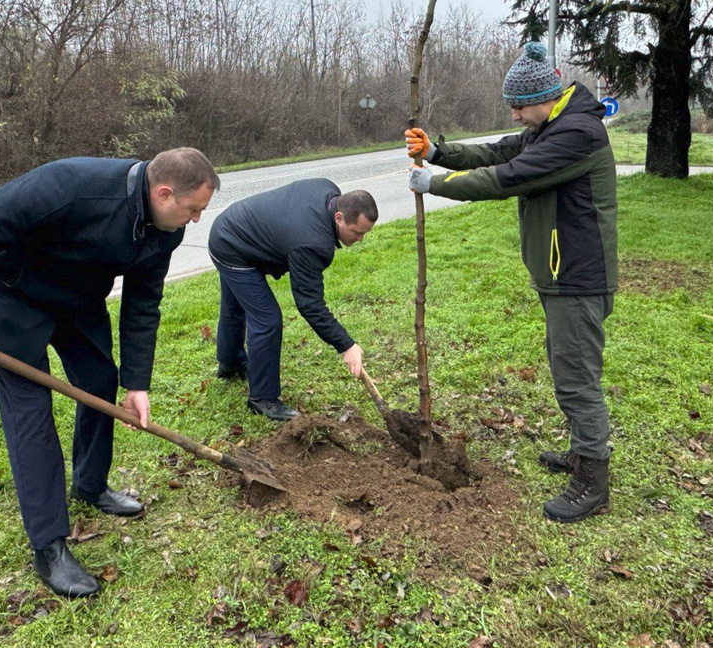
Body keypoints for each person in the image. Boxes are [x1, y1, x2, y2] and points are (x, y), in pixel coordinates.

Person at [0, 148, 219, 596]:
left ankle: (90, 484)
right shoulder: (69, 186)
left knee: (101, 382)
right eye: (194, 209)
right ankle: (49, 545)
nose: (197, 219)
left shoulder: (165, 229)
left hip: (77, 301)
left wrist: (137, 383)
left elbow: (143, 304)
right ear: (164, 193)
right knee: (31, 414)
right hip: (11, 298)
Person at [405, 41, 618, 523]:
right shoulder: (552, 125)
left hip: (579, 278)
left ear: (545, 96)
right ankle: (582, 453)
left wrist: (433, 186)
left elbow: (508, 176)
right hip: (560, 273)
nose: (516, 116)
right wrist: (437, 153)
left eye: (520, 107)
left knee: (577, 379)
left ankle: (592, 481)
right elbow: (499, 150)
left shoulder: (577, 135)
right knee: (568, 369)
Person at [207, 179, 377, 420]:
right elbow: (310, 304)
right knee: (267, 319)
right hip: (231, 246)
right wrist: (346, 345)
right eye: (357, 232)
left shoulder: (327, 190)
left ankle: (231, 364)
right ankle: (263, 399)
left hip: (234, 226)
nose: (360, 239)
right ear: (338, 217)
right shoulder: (312, 242)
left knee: (236, 306)